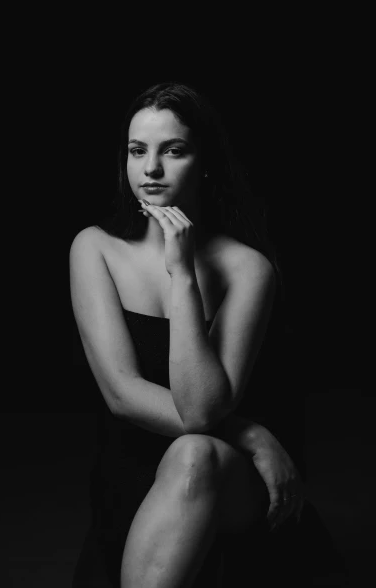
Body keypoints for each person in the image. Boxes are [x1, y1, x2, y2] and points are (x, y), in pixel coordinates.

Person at [70, 82, 348, 587]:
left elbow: (200, 412)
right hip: (132, 467)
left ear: (204, 163)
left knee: (194, 452)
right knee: (189, 451)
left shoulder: (247, 268)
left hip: (228, 476)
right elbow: (120, 392)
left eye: (172, 150)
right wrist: (251, 432)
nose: (150, 169)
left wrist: (184, 275)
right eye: (138, 151)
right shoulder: (95, 248)